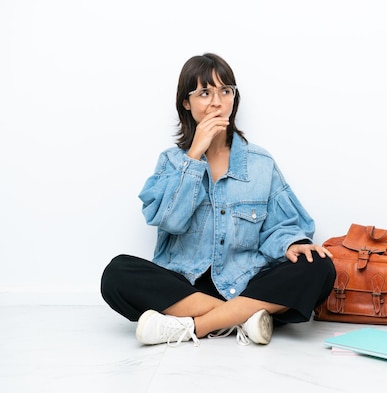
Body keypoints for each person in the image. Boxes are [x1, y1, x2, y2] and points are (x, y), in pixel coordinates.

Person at [100, 53, 336, 347]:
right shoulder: (172, 162)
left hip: (248, 283)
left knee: (320, 267)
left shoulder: (260, 162)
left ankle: (192, 327)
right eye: (204, 93)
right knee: (117, 273)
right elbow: (167, 220)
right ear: (186, 103)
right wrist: (194, 155)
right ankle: (244, 319)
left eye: (226, 91)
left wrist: (293, 244)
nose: (217, 102)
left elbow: (283, 225)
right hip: (186, 286)